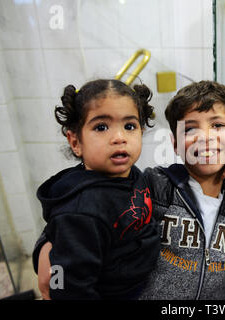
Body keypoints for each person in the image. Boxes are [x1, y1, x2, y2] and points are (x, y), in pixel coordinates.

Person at [34, 80, 225, 300]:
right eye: (190, 129)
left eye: (218, 125)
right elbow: (87, 211)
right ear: (176, 144)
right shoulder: (154, 186)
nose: (205, 137)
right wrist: (46, 246)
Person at [34, 79, 160, 299]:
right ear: (76, 142)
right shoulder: (81, 210)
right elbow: (67, 286)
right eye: (101, 127)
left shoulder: (130, 174)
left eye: (129, 126)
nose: (119, 138)